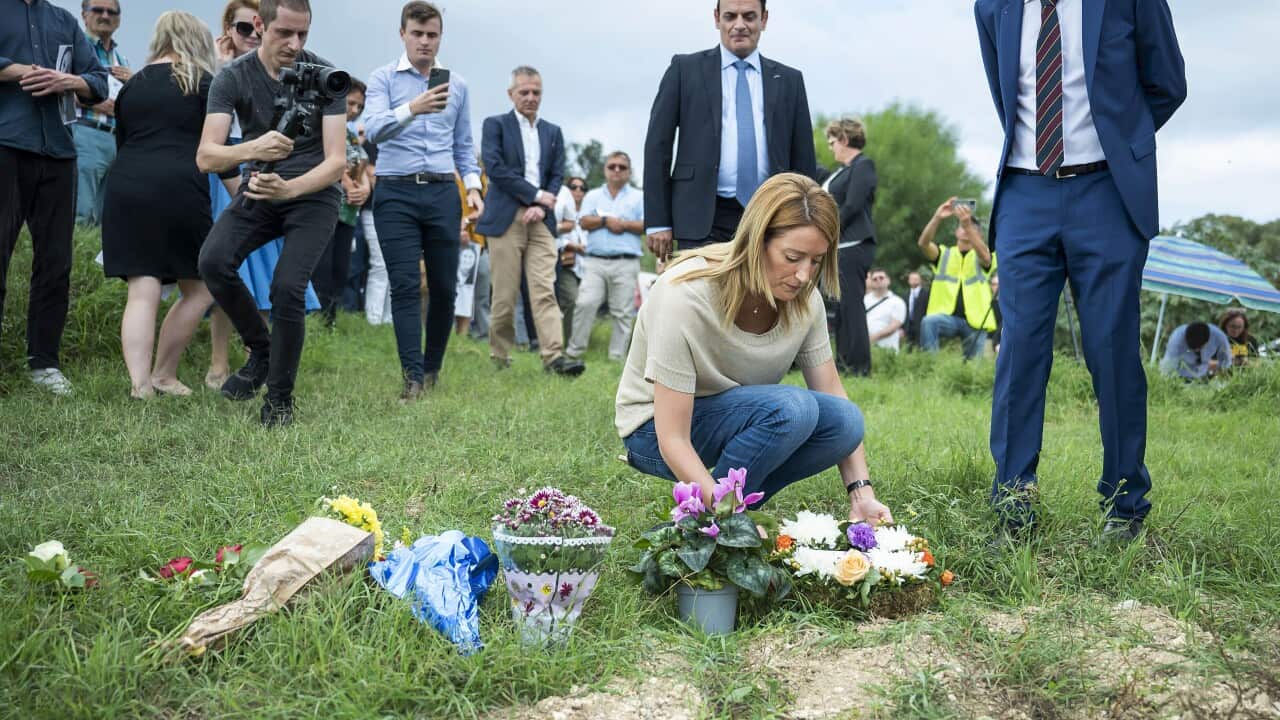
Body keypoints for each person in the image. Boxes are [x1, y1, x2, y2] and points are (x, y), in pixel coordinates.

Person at [977, 0, 1187, 543]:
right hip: (1025, 191)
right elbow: (1008, 99)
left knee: (1113, 350)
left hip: (1107, 192)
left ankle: (1124, 505)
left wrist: (1118, 140)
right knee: (1020, 353)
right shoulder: (991, 7)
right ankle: (1013, 506)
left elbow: (1167, 84)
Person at [617, 173, 892, 524]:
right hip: (654, 430)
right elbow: (672, 438)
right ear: (756, 240)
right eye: (793, 257)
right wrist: (727, 517)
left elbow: (834, 396)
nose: (805, 275)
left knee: (845, 421)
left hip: (738, 417)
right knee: (793, 408)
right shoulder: (683, 294)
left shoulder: (805, 300)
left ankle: (722, 513)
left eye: (817, 260)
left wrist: (862, 493)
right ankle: (721, 520)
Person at [196, 0, 348, 427]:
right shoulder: (232, 76)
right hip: (259, 188)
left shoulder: (327, 76)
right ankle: (261, 349)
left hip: (313, 194)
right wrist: (253, 150)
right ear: (259, 25)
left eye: (303, 34)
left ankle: (279, 401)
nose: (295, 44)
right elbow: (207, 156)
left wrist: (291, 188)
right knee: (212, 261)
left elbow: (337, 162)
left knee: (287, 286)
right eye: (285, 33)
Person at [363, 0, 485, 401]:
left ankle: (432, 368)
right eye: (417, 34)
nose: (425, 42)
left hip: (441, 192)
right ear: (403, 34)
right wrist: (413, 108)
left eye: (432, 34)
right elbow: (374, 131)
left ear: (440, 37)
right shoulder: (382, 79)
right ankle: (412, 376)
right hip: (395, 189)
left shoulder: (458, 86)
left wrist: (474, 189)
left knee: (446, 288)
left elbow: (464, 146)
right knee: (404, 284)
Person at [102, 11, 224, 399]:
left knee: (142, 288)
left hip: (126, 185)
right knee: (201, 288)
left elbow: (123, 141)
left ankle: (140, 385)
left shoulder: (132, 86)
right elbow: (215, 148)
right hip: (180, 186)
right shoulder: (205, 83)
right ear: (196, 40)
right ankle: (164, 374)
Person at [643, 0, 817, 259]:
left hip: (771, 216)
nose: (739, 25)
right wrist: (658, 221)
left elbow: (803, 157)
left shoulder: (789, 80)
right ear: (716, 18)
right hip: (701, 215)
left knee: (761, 299)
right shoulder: (685, 70)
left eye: (749, 16)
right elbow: (658, 146)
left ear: (764, 19)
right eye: (730, 16)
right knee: (701, 298)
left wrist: (806, 220)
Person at [1, 0, 109, 396]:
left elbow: (98, 80)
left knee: (56, 263)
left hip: (60, 153)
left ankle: (43, 363)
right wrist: (23, 72)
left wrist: (70, 82)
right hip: (7, 146)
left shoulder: (64, 21)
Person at [475, 65, 583, 377]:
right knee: (505, 294)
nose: (530, 97)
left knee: (544, 289)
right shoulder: (494, 125)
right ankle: (500, 354)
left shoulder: (553, 132)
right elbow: (495, 169)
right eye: (524, 92)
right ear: (511, 94)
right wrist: (535, 195)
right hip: (506, 217)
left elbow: (556, 174)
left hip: (541, 220)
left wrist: (544, 202)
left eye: (536, 92)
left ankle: (554, 357)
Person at [567, 152, 645, 363]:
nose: (617, 170)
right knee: (585, 302)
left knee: (623, 311)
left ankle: (617, 358)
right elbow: (583, 221)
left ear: (629, 171)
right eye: (612, 166)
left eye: (622, 166)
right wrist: (604, 220)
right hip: (595, 261)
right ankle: (574, 352)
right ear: (605, 170)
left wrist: (624, 224)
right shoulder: (592, 195)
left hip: (626, 261)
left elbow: (647, 225)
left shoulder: (639, 196)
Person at [311, 79, 371, 327]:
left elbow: (363, 165)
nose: (354, 110)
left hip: (348, 212)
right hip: (326, 206)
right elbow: (329, 158)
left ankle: (330, 322)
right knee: (321, 269)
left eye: (359, 105)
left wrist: (365, 188)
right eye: (350, 103)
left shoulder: (351, 133)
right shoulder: (326, 125)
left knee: (340, 268)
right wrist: (347, 183)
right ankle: (315, 320)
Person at [820, 118, 877, 374]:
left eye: (832, 142)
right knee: (841, 307)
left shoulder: (863, 165)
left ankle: (860, 367)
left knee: (852, 306)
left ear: (844, 139)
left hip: (854, 244)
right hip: (840, 247)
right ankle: (844, 365)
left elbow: (853, 205)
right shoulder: (840, 171)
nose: (831, 148)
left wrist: (825, 232)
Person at [73, 0, 130, 227]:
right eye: (98, 10)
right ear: (84, 15)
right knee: (81, 211)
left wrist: (134, 82)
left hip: (116, 139)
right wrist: (96, 102)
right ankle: (74, 262)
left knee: (105, 218)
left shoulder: (121, 60)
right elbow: (58, 88)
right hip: (85, 132)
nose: (105, 15)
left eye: (112, 11)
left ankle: (94, 263)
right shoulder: (74, 49)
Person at [916, 198, 996, 359]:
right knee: (929, 321)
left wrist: (967, 224)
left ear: (978, 234)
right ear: (956, 232)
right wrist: (937, 217)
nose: (966, 229)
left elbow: (986, 259)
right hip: (947, 317)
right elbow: (924, 244)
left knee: (973, 371)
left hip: (976, 321)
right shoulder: (944, 254)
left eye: (973, 227)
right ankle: (930, 368)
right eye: (963, 226)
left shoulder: (985, 253)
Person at [553, 176, 588, 342]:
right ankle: (567, 341)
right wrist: (572, 245)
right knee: (572, 301)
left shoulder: (589, 213)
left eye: (582, 188)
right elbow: (551, 234)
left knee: (584, 304)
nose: (578, 191)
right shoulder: (559, 208)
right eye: (574, 187)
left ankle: (578, 341)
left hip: (586, 265)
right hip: (565, 263)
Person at [1160, 322, 1231, 380]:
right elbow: (1168, 367)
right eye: (1192, 348)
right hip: (1179, 375)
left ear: (1207, 341)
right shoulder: (1176, 340)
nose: (1196, 350)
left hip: (1204, 375)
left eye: (1199, 347)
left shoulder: (1219, 336)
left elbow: (1226, 360)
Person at [863, 268, 905, 352]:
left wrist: (873, 338)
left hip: (888, 349)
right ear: (871, 282)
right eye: (874, 279)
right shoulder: (864, 300)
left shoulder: (897, 301)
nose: (878, 280)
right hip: (866, 348)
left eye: (881, 277)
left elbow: (895, 325)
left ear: (888, 280)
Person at [903, 271, 929, 350]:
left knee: (921, 347)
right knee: (908, 348)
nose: (914, 280)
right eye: (912, 279)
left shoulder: (926, 294)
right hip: (908, 326)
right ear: (908, 281)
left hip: (921, 325)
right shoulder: (905, 295)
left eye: (916, 279)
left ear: (920, 280)